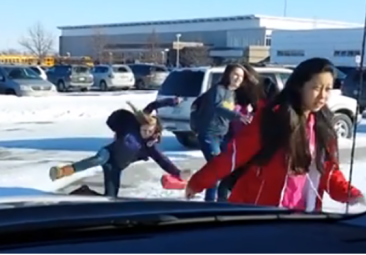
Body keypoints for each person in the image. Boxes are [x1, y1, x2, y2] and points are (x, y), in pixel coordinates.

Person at [186, 57, 365, 211]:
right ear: (299, 86)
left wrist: (353, 195)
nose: (322, 96)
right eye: (316, 88)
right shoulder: (272, 118)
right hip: (260, 214)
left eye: (328, 89)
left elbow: (329, 173)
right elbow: (233, 155)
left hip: (303, 218)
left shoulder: (323, 126)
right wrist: (198, 182)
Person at [50, 98, 191, 198]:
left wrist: (178, 173)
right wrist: (171, 101)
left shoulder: (149, 147)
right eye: (144, 129)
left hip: (116, 167)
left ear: (154, 132)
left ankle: (84, 192)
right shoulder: (133, 126)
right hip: (108, 153)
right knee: (98, 159)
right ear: (140, 125)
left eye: (149, 132)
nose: (146, 133)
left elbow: (163, 161)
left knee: (110, 198)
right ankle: (64, 171)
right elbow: (152, 105)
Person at [190, 63, 257, 202]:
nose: (238, 78)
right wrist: (238, 116)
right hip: (209, 135)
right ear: (228, 75)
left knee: (225, 169)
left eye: (241, 76)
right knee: (215, 168)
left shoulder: (232, 94)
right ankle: (209, 204)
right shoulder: (218, 89)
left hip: (223, 136)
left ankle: (222, 201)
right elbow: (218, 107)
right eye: (235, 74)